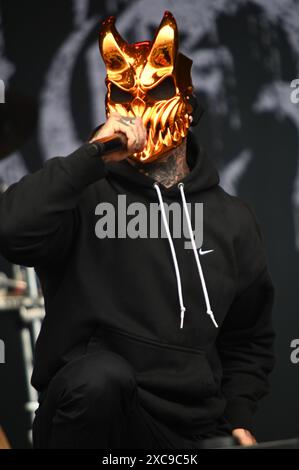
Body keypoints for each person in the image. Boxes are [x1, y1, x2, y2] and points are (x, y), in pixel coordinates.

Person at [0, 11, 275, 449]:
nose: (139, 107)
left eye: (155, 91)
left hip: (192, 428)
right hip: (96, 417)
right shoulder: (82, 197)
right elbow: (10, 228)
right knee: (100, 378)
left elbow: (249, 335)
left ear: (185, 99)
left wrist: (238, 414)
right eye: (124, 95)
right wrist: (91, 156)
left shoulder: (232, 217)